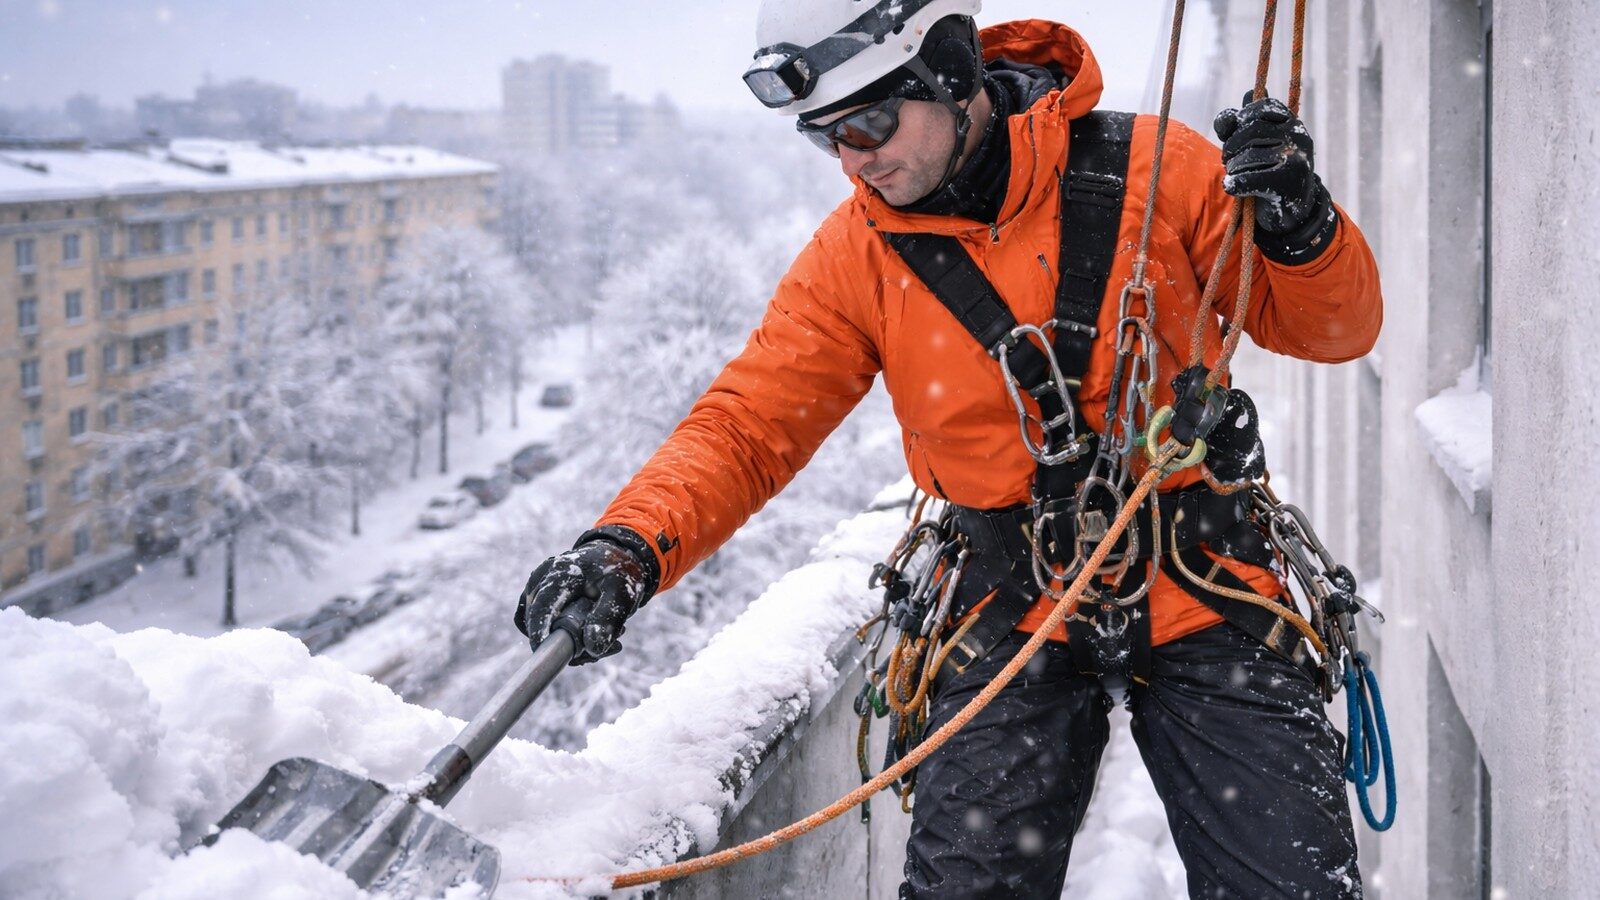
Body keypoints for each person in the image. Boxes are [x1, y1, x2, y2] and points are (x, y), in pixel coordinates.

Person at [516, 2, 1381, 897]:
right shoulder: (858, 253)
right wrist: (626, 547)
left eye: (870, 123)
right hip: (1011, 603)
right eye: (827, 140)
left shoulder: (1158, 170)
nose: (854, 160)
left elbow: (1337, 328)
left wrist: (1297, 223)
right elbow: (749, 423)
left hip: (1202, 581)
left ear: (951, 70)